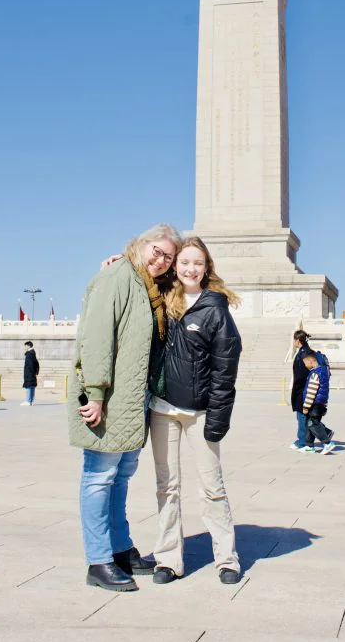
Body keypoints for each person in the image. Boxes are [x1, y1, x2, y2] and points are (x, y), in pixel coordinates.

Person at [68, 223, 182, 592]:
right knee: (100, 477)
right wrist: (96, 393)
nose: (161, 260)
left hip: (133, 400)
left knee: (120, 477)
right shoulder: (116, 278)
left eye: (168, 256)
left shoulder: (146, 285)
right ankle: (98, 560)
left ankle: (119, 548)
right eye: (156, 251)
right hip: (109, 399)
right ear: (141, 244)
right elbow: (96, 338)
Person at [149, 236, 242, 585]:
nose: (190, 269)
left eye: (198, 263)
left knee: (212, 486)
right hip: (162, 409)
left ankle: (227, 559)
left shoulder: (215, 309)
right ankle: (168, 559)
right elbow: (136, 277)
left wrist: (218, 418)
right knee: (166, 486)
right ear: (176, 266)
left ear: (207, 268)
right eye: (185, 262)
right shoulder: (162, 300)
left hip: (201, 412)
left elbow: (225, 370)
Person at [301, 350, 335, 454]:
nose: (305, 365)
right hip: (321, 403)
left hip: (315, 404)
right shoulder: (323, 371)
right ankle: (309, 445)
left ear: (311, 361)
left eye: (305, 363)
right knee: (310, 423)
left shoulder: (315, 374)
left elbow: (311, 392)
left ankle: (327, 442)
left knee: (312, 423)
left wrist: (306, 406)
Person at [289, 330, 312, 450]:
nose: (293, 342)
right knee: (304, 416)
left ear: (298, 340)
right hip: (302, 389)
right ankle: (304, 440)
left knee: (302, 416)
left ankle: (303, 442)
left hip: (303, 389)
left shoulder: (306, 353)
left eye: (294, 339)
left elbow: (307, 373)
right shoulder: (303, 352)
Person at [21, 341, 39, 406]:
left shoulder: (29, 354)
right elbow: (37, 363)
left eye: (25, 345)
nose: (25, 347)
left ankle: (28, 401)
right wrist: (36, 372)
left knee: (29, 386)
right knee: (32, 386)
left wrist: (32, 372)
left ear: (28, 346)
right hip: (32, 373)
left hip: (29, 373)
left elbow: (31, 364)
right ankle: (31, 400)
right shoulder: (33, 353)